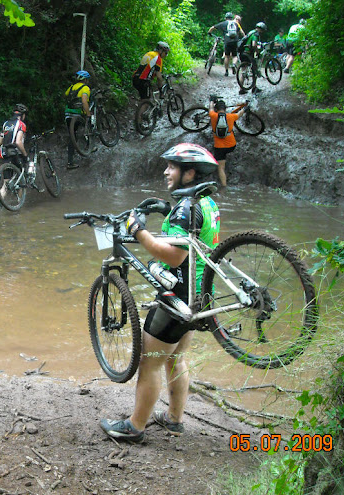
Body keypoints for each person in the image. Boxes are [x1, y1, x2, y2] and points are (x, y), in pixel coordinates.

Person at [100, 143, 220, 442]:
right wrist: (165, 211)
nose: (166, 172)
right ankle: (174, 419)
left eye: (172, 167)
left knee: (149, 362)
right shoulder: (205, 203)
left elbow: (174, 257)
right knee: (175, 357)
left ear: (189, 173)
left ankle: (135, 426)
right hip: (199, 295)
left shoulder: (185, 208)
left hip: (176, 297)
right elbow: (190, 239)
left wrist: (139, 230)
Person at [208, 96, 244, 187]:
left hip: (219, 147)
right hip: (231, 146)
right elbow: (240, 114)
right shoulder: (231, 116)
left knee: (221, 168)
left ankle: (224, 186)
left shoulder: (213, 115)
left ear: (217, 109)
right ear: (225, 108)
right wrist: (245, 109)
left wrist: (212, 101)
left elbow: (210, 108)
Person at [64, 70, 93, 170]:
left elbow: (66, 96)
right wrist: (88, 113)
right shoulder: (85, 88)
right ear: (85, 80)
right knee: (88, 123)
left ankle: (70, 162)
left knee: (72, 137)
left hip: (68, 114)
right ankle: (89, 145)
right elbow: (84, 101)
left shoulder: (71, 87)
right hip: (78, 113)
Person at [132, 42, 170, 106]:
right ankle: (139, 115)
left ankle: (138, 111)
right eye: (165, 53)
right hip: (143, 80)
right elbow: (159, 77)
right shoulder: (158, 58)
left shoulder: (149, 53)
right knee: (146, 102)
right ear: (161, 51)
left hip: (135, 77)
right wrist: (161, 90)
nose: (165, 55)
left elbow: (147, 68)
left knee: (143, 98)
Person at [0, 103, 30, 176]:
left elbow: (0, 142)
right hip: (16, 153)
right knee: (22, 180)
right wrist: (25, 155)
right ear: (23, 115)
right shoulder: (21, 124)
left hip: (5, 152)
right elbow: (18, 142)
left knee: (6, 183)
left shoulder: (6, 124)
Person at [208, 12, 243, 77]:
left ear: (225, 18)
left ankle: (226, 72)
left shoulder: (223, 23)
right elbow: (241, 32)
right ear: (232, 18)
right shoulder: (235, 23)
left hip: (227, 41)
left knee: (227, 56)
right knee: (234, 56)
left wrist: (209, 33)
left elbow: (212, 28)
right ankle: (233, 64)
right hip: (235, 41)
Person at [237, 21, 267, 94]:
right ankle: (254, 88)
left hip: (242, 53)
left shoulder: (251, 32)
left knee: (243, 71)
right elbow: (254, 45)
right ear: (261, 29)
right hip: (248, 54)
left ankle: (241, 89)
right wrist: (257, 52)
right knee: (255, 69)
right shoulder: (256, 34)